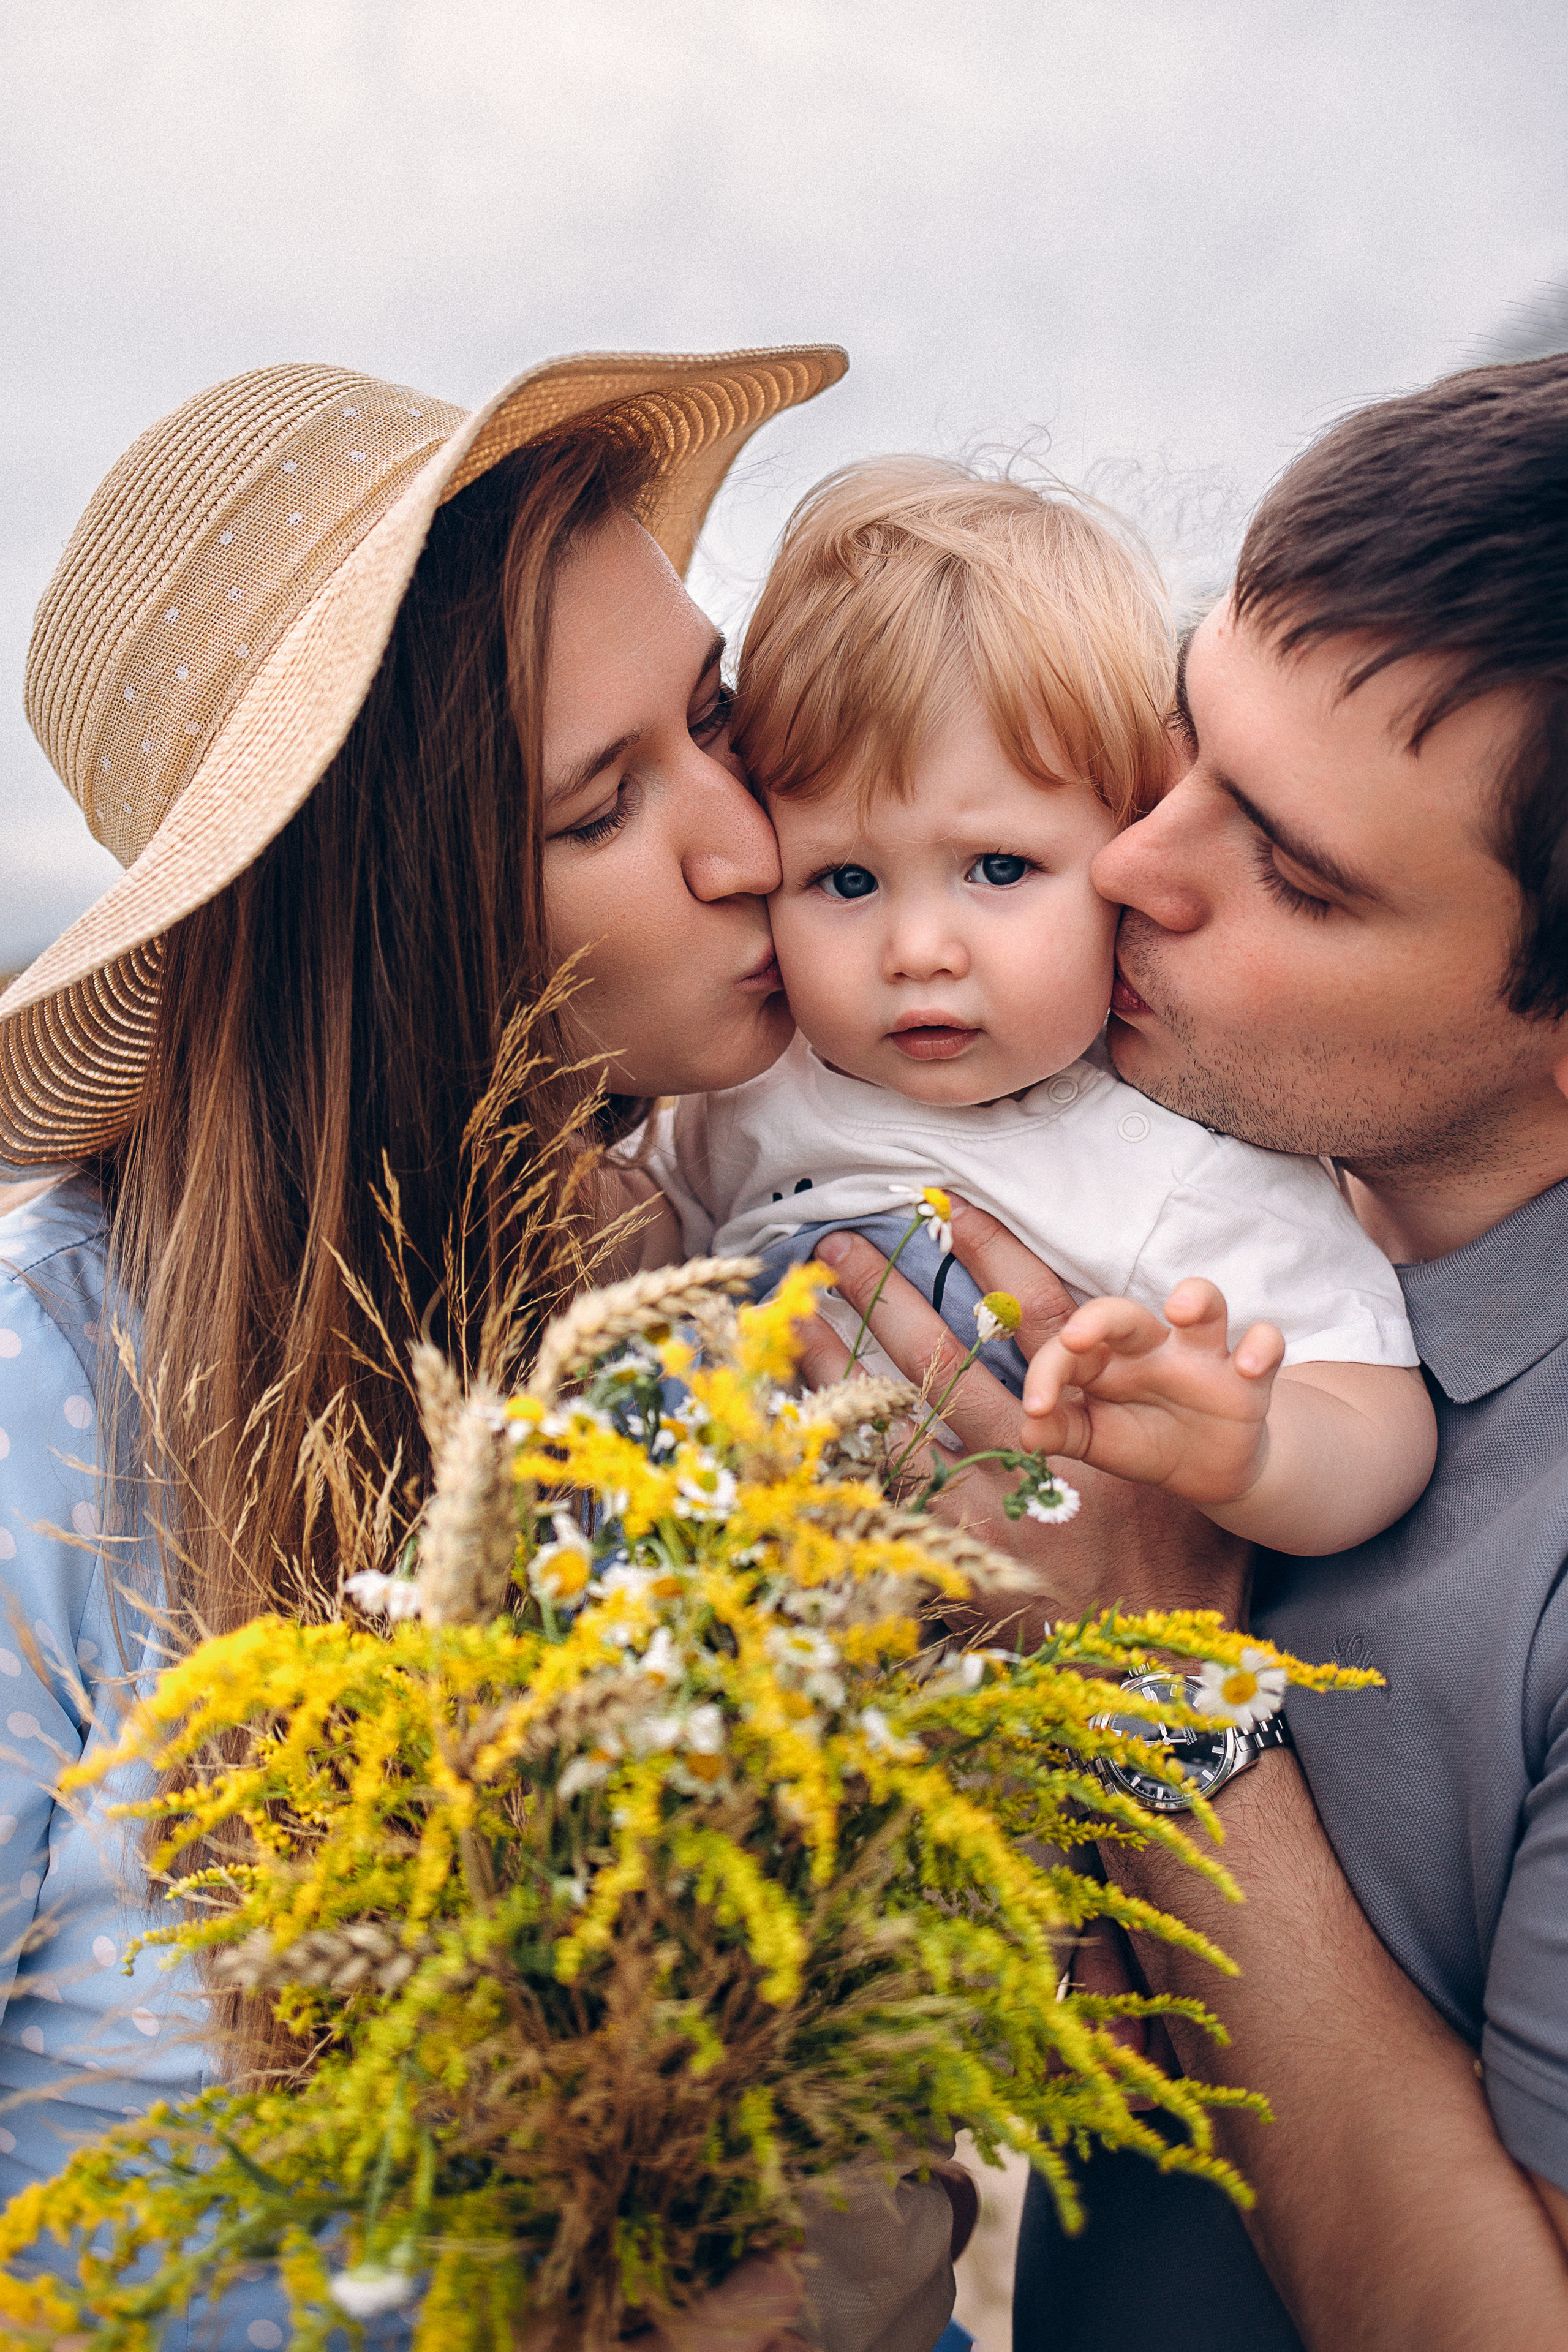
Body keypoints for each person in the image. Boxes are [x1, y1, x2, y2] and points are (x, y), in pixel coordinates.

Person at [0, 343, 962, 2351]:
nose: (744, 845)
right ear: (382, 914)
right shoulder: (45, 1421)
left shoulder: (754, 1319)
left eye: (714, 721)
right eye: (604, 804)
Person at [794, 353, 1568, 2348]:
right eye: (1182, 743)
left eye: (1292, 869)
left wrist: (1158, 1676)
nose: (1132, 862)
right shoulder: (1206, 1194)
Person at [652, 458, 1433, 1557]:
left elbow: (1376, 1412)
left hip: (984, 1629)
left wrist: (1254, 1456)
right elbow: (638, 1248)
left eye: (1000, 868)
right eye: (846, 880)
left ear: (1130, 849)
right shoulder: (753, 1087)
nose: (918, 952)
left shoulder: (1176, 1163)